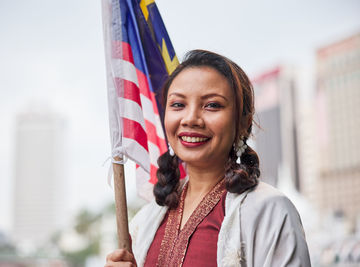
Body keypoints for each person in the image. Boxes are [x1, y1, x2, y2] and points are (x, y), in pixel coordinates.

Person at [105, 50, 311, 267]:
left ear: (243, 122)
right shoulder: (145, 221)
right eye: (178, 105)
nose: (191, 118)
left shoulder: (270, 211)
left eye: (212, 105)